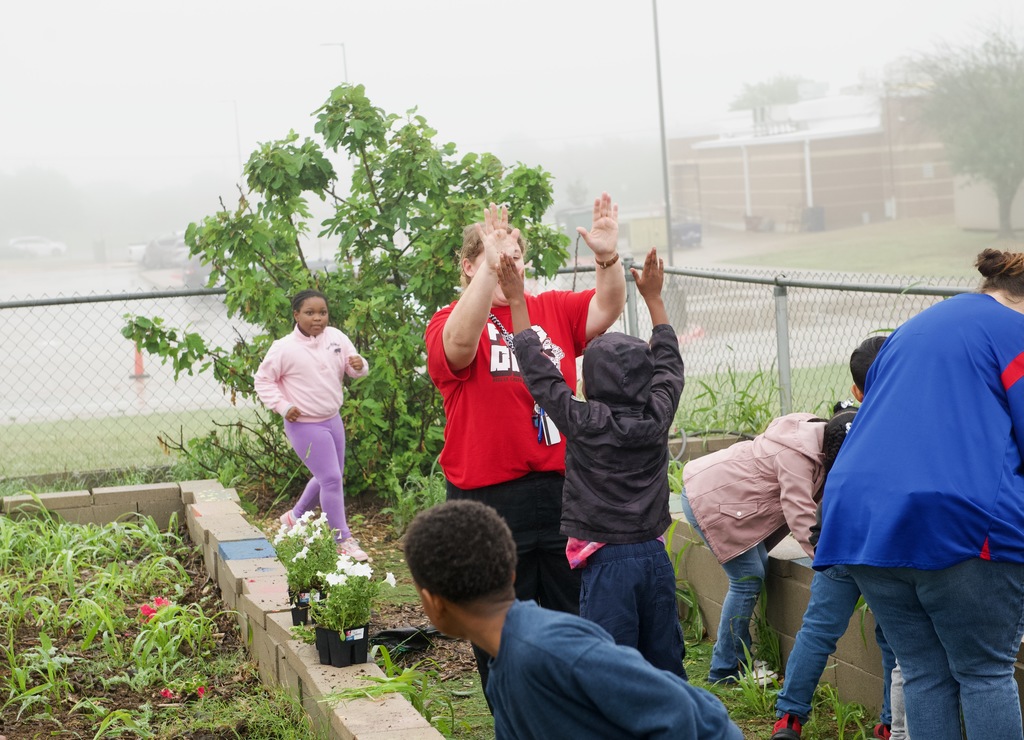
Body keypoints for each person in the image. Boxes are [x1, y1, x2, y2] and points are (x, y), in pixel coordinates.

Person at [814, 248, 1024, 740]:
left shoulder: (917, 327)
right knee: (984, 672)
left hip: (862, 522)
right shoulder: (1014, 332)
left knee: (926, 673)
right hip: (958, 522)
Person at [424, 195, 626, 689]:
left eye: (515, 255)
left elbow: (607, 306)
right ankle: (514, 712)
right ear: (470, 266)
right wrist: (490, 273)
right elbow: (457, 347)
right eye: (496, 256)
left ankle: (567, 707)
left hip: (560, 489)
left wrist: (607, 258)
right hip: (489, 499)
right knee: (498, 623)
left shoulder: (550, 308)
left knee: (570, 616)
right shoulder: (450, 319)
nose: (509, 264)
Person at [403, 499, 744, 740]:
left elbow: (685, 713)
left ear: (433, 602)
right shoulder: (503, 672)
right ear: (511, 573)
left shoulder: (549, 647)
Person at [498, 247, 687, 677]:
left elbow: (540, 374)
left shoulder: (583, 422)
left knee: (610, 670)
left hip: (606, 564)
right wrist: (654, 300)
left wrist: (516, 301)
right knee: (665, 665)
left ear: (588, 382)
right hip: (655, 557)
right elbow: (670, 367)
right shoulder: (658, 416)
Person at [771, 336, 898, 740]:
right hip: (884, 545)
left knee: (818, 631)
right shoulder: (906, 425)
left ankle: (788, 719)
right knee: (894, 637)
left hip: (839, 538)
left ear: (856, 391)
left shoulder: (845, 426)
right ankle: (889, 723)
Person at [681, 411, 827, 685]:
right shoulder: (796, 457)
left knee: (756, 568)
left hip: (718, 490)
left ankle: (740, 657)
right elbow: (801, 515)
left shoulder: (811, 434)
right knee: (746, 579)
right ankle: (726, 669)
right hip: (711, 498)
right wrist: (825, 560)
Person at [253, 289, 370, 561]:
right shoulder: (284, 348)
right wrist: (283, 406)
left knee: (331, 474)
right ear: (296, 315)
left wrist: (359, 365)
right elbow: (263, 380)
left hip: (332, 418)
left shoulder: (336, 337)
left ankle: (294, 518)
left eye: (322, 313)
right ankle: (342, 539)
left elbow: (355, 369)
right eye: (310, 313)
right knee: (331, 478)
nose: (317, 318)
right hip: (304, 424)